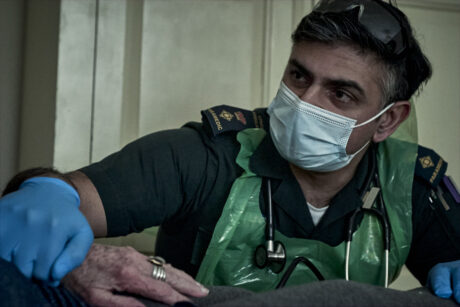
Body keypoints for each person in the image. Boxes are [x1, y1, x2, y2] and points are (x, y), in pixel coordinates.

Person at [1, 0, 460, 306]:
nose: (305, 102)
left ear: (387, 120)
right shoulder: (207, 154)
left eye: (340, 94)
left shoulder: (413, 188)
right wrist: (46, 194)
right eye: (299, 76)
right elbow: (71, 199)